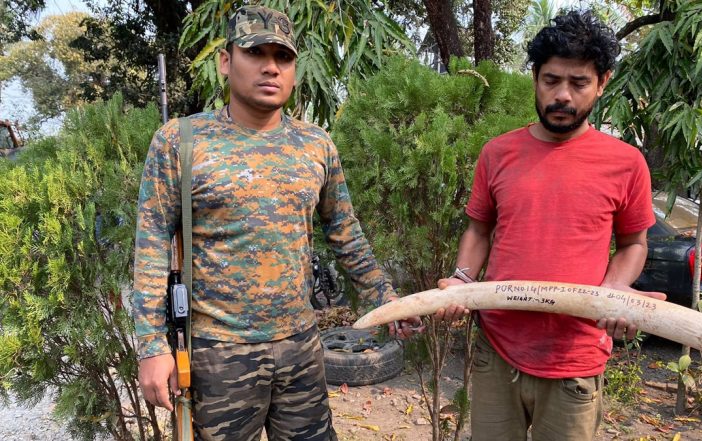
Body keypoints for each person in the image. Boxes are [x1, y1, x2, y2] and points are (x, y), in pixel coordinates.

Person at [132, 5, 418, 440]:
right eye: (255, 53)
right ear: (226, 62)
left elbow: (345, 232)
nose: (270, 67)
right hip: (220, 355)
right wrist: (152, 347)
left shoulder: (315, 144)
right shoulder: (181, 141)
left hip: (301, 346)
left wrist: (385, 297)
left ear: (295, 70)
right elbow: (152, 240)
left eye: (283, 57)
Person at [435, 10, 666, 441]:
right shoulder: (498, 153)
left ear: (602, 83)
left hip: (575, 357)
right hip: (496, 350)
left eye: (578, 83)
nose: (562, 95)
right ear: (535, 79)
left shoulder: (626, 163)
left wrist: (614, 289)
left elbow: (634, 243)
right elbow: (478, 230)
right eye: (550, 80)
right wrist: (462, 280)